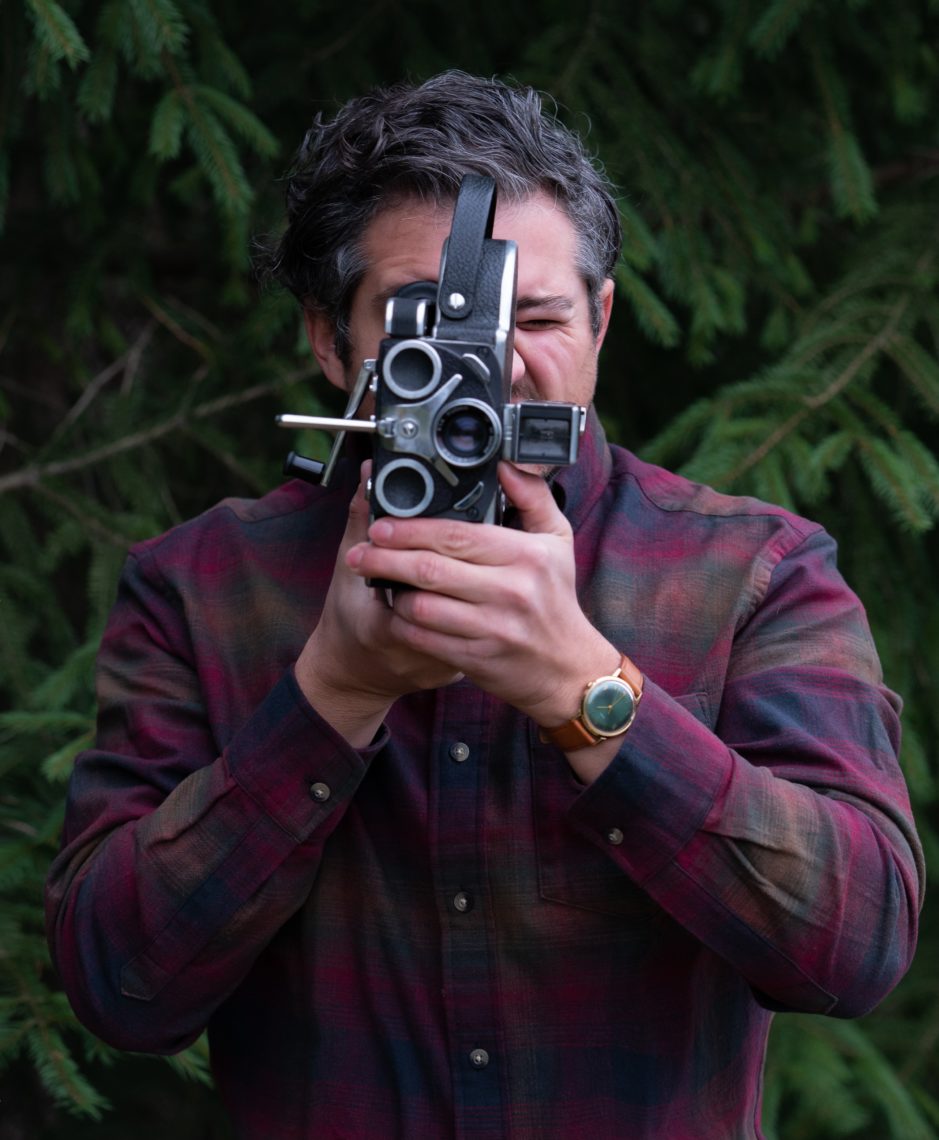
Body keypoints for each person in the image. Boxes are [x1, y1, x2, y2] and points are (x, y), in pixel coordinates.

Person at [46, 71, 923, 1140]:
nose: (488, 364)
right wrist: (331, 694)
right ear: (330, 340)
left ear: (602, 320)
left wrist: (586, 693)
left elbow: (858, 943)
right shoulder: (205, 584)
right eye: (425, 324)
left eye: (540, 315)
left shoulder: (749, 570)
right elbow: (118, 985)